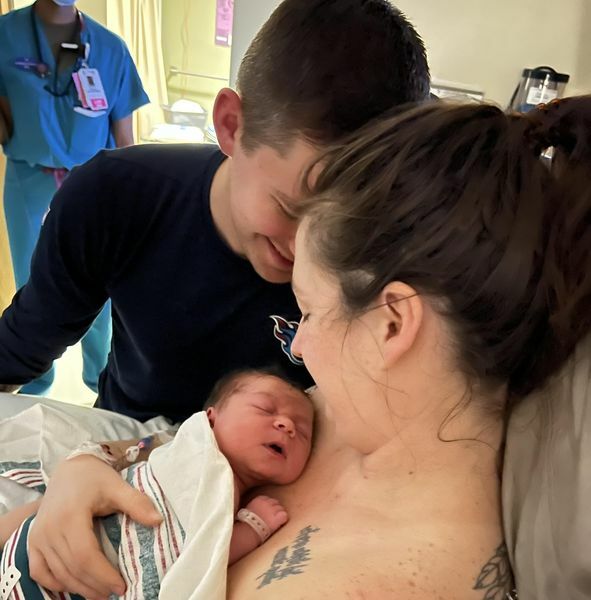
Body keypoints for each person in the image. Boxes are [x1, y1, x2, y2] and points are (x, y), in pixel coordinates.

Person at [20, 96, 591, 599]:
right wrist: (82, 471)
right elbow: (177, 452)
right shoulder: (348, 414)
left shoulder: (385, 573)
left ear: (393, 323)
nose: (301, 345)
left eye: (310, 312)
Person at [0, 0, 430, 421]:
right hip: (133, 454)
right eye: (291, 209)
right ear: (231, 125)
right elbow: (23, 346)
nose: (309, 251)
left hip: (287, 483)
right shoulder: (116, 197)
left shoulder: (398, 258)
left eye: (348, 227)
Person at [0, 368, 315, 599]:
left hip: (70, 583)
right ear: (210, 418)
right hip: (36, 541)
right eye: (264, 409)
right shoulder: (186, 447)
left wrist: (249, 524)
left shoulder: (228, 492)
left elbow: (200, 552)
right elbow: (208, 550)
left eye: (303, 431)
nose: (286, 425)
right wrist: (253, 527)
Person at [0, 0, 149, 396]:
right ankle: (30, 385)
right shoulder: (5, 36)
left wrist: (129, 200)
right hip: (29, 177)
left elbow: (124, 139)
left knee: (100, 282)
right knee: (33, 284)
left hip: (94, 182)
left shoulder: (110, 47)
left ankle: (103, 382)